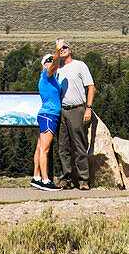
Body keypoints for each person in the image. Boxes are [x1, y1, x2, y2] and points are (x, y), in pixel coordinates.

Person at [55, 39, 95, 190]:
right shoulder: (57, 69)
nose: (62, 50)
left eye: (65, 47)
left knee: (79, 145)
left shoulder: (80, 65)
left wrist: (88, 108)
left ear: (70, 50)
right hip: (62, 110)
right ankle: (65, 178)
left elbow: (91, 87)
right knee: (63, 147)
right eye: (59, 48)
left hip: (76, 109)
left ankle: (83, 179)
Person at [31, 43, 63, 190]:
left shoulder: (52, 79)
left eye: (52, 60)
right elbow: (55, 65)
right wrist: (57, 50)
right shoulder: (46, 75)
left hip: (46, 114)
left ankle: (36, 176)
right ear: (43, 65)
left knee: (39, 147)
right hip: (49, 115)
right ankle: (45, 180)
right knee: (45, 148)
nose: (51, 62)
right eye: (47, 61)